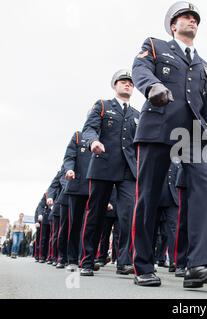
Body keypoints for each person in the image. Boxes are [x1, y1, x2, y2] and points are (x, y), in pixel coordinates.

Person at [131, 1, 207, 288]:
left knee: (203, 188)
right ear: (173, 25)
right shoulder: (155, 45)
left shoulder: (205, 67)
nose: (192, 20)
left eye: (195, 17)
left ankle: (196, 264)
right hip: (157, 128)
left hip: (193, 137)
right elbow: (139, 68)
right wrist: (152, 86)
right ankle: (143, 265)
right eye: (185, 16)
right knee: (148, 197)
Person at [79, 69, 140, 277]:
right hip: (103, 166)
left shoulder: (137, 115)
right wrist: (93, 141)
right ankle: (87, 260)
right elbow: (89, 129)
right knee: (96, 214)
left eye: (130, 83)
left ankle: (124, 261)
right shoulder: (103, 106)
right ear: (115, 85)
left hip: (128, 171)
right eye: (123, 82)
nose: (127, 85)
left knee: (128, 216)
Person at [63, 131, 92, 271]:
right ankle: (73, 259)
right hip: (78, 185)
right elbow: (69, 157)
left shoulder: (106, 137)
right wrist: (69, 170)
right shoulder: (77, 136)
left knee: (92, 225)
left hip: (96, 187)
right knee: (76, 225)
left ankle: (87, 259)